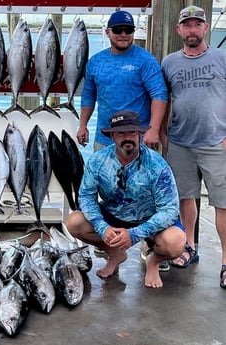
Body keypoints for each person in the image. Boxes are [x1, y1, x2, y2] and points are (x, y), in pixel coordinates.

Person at [66, 111, 186, 288]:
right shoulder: (97, 160)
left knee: (176, 242)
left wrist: (135, 234)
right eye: (121, 133)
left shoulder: (157, 164)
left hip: (149, 219)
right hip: (113, 215)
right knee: (74, 222)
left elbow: (170, 209)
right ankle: (115, 253)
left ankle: (153, 262)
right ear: (112, 136)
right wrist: (102, 227)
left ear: (139, 134)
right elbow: (86, 197)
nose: (127, 137)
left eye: (132, 132)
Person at [161, 5, 226, 288]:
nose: (192, 30)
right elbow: (164, 101)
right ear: (179, 30)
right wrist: (162, 132)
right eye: (186, 25)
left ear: (205, 28)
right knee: (185, 199)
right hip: (180, 142)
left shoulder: (222, 58)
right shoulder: (169, 62)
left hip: (216, 142)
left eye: (197, 24)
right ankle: (189, 246)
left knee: (223, 204)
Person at [77, 10, 168, 152]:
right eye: (118, 30)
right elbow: (89, 95)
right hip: (104, 140)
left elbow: (159, 95)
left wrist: (154, 130)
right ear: (108, 32)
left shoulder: (146, 60)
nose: (123, 34)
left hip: (139, 140)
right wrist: (83, 125)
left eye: (128, 30)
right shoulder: (95, 61)